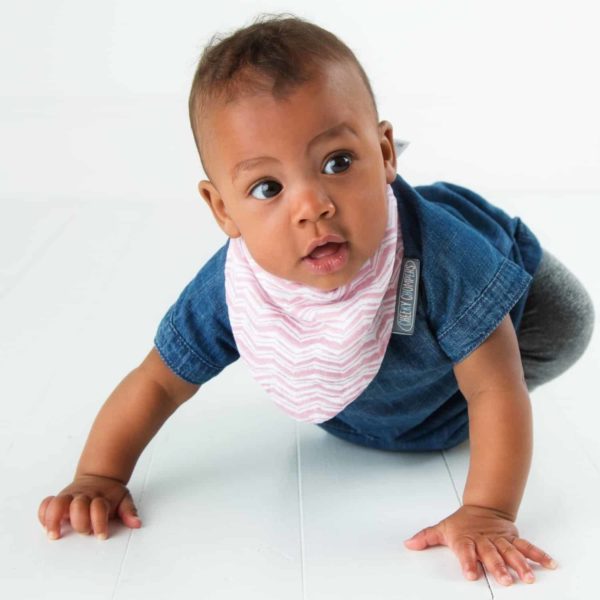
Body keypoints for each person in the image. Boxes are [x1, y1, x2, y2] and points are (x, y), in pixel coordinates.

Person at [38, 13, 595, 588]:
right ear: (222, 208)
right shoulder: (234, 286)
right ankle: (438, 362)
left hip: (495, 320)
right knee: (430, 364)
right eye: (267, 188)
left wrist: (487, 510)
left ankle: (481, 311)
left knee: (560, 325)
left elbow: (494, 387)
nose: (312, 205)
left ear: (383, 153)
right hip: (371, 410)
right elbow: (156, 381)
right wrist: (99, 474)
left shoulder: (446, 257)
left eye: (338, 163)